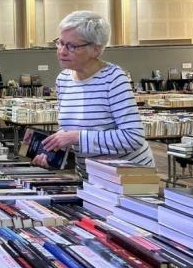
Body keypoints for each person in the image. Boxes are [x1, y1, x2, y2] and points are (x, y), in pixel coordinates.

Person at [32, 10, 154, 176]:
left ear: (96, 50)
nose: (62, 51)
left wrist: (77, 138)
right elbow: (69, 131)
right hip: (90, 175)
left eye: (71, 46)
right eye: (60, 43)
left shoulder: (113, 79)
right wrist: (53, 154)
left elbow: (132, 137)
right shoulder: (64, 79)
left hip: (127, 177)